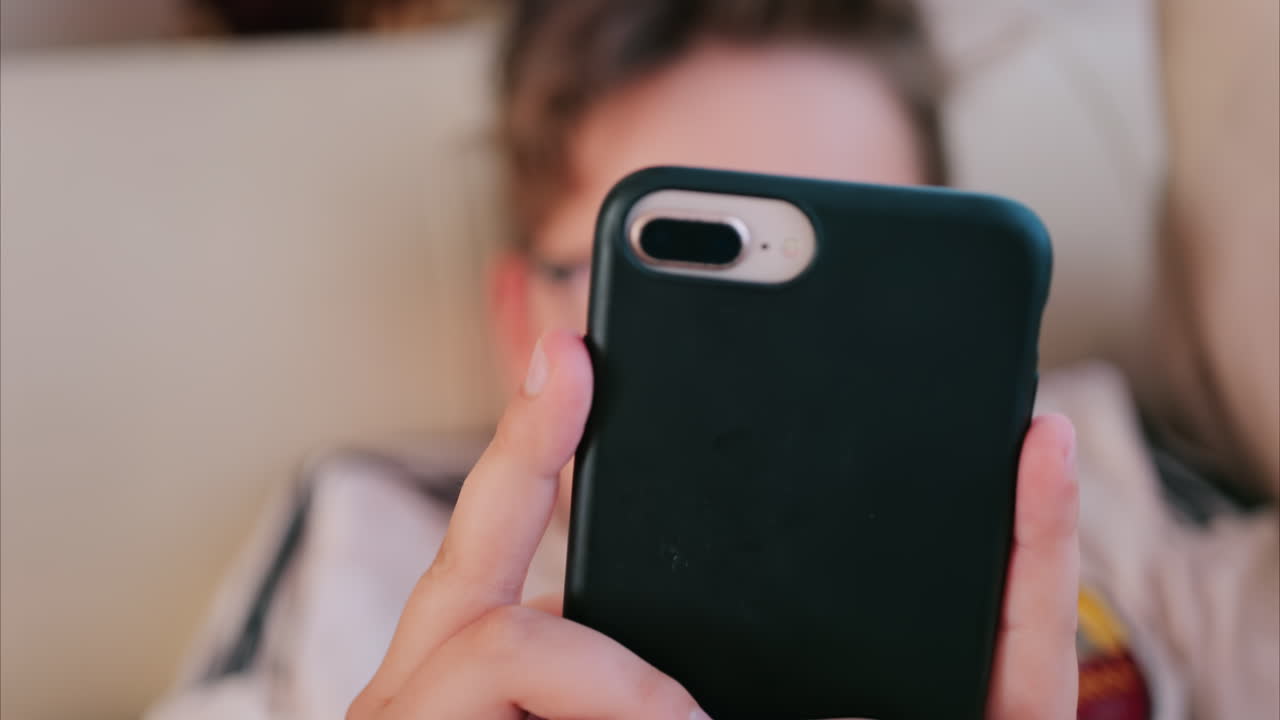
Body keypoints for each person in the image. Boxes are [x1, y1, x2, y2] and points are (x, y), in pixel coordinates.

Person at [147, 1, 1278, 719]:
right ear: (519, 318)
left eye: (846, 291)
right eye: (690, 296)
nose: (778, 378)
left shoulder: (1094, 470)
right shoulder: (363, 537)